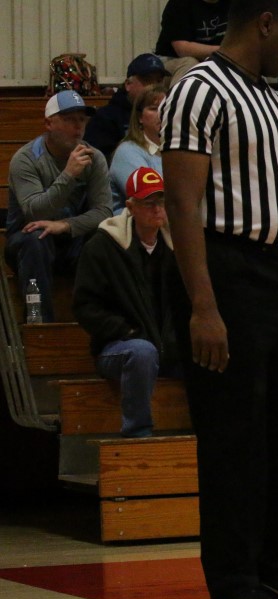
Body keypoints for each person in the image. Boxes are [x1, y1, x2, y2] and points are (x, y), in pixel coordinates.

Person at [160, 0, 278, 599]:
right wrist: (203, 306)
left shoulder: (277, 100)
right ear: (265, 23)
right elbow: (182, 205)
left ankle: (273, 567)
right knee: (235, 433)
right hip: (226, 269)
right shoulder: (199, 90)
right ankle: (233, 584)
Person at [72, 167, 179, 438]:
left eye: (162, 201)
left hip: (168, 345)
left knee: (209, 350)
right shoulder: (103, 246)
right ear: (130, 207)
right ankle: (138, 434)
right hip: (119, 346)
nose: (158, 209)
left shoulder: (176, 246)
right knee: (142, 352)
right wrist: (126, 331)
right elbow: (85, 306)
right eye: (149, 203)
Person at [5, 91, 113, 322]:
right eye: (68, 119)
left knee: (105, 236)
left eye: (81, 119)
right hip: (27, 242)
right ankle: (38, 320)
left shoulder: (94, 158)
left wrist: (65, 225)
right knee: (36, 237)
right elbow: (34, 211)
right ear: (48, 124)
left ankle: (99, 319)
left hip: (71, 238)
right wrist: (68, 175)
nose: (78, 127)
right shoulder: (26, 159)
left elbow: (104, 211)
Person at [84, 53, 168, 161]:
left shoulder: (170, 113)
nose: (153, 86)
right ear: (128, 84)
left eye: (159, 81)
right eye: (147, 80)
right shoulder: (105, 118)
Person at [109, 84, 167, 214]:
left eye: (165, 108)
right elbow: (150, 200)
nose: (161, 114)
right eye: (154, 109)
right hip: (135, 223)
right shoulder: (127, 151)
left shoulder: (174, 150)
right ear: (140, 117)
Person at [155, 0, 232, 82]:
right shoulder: (179, 4)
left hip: (215, 59)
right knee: (190, 64)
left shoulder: (235, 4)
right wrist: (226, 51)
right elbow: (182, 49)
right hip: (173, 60)